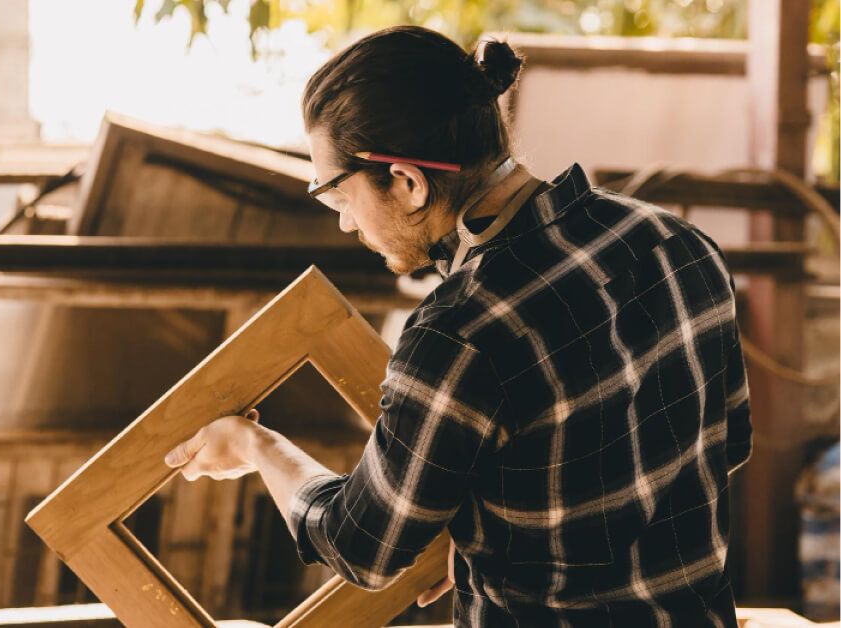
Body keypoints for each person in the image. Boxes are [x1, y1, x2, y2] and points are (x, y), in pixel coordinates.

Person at [165, 25, 752, 626]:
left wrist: (256, 445)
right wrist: (481, 521)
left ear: (408, 182)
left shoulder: (459, 332)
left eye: (338, 198)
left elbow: (361, 545)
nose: (345, 225)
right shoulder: (674, 242)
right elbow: (727, 443)